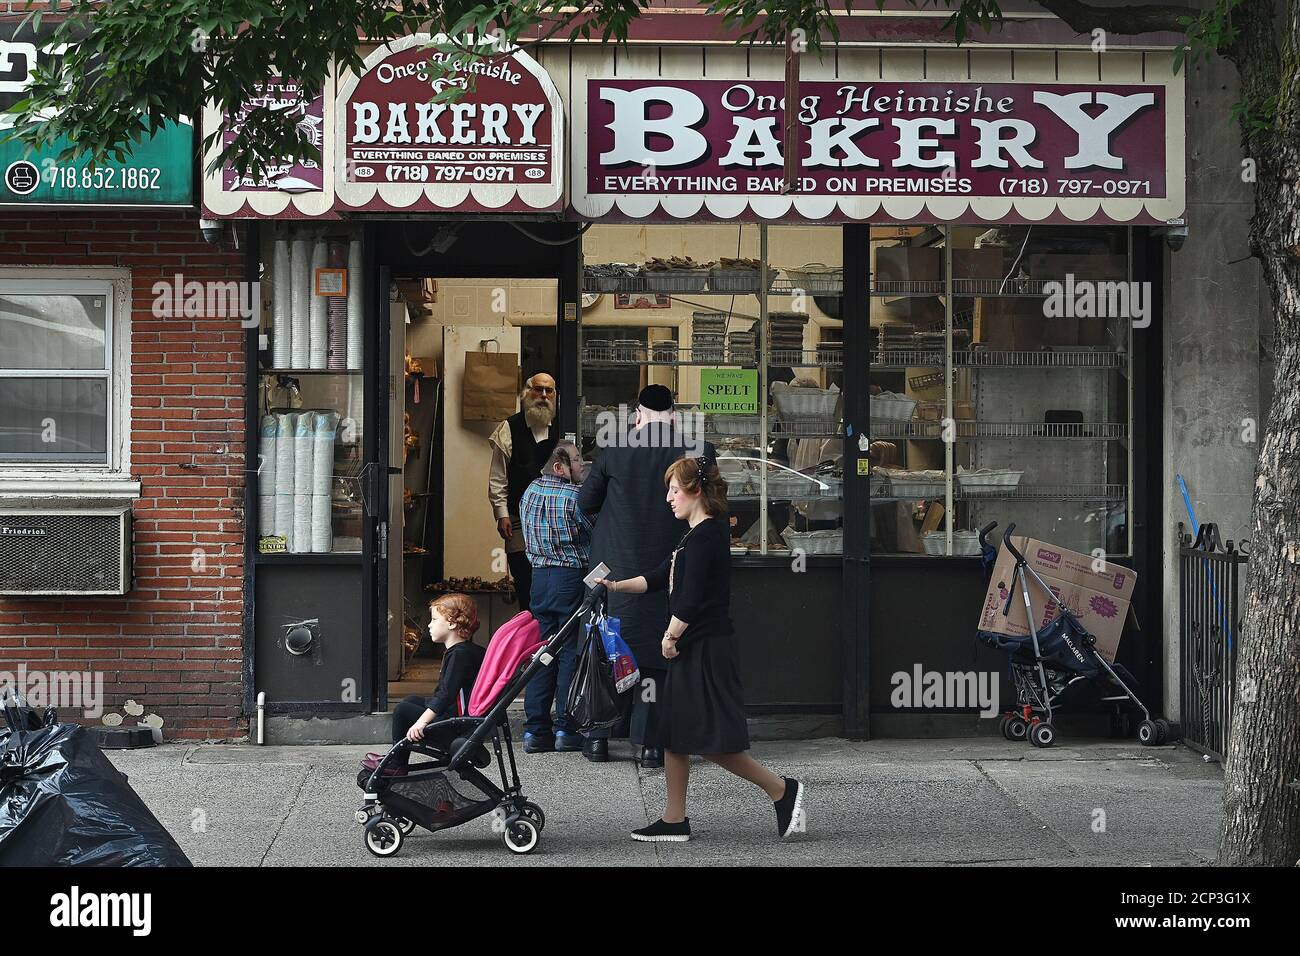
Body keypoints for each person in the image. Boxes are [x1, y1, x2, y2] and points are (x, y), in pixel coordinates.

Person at [599, 456, 806, 842]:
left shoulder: (708, 534)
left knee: (707, 739)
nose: (667, 499)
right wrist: (615, 586)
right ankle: (674, 819)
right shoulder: (695, 534)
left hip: (705, 648)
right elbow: (661, 576)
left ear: (694, 491)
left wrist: (669, 637)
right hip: (695, 647)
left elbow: (690, 599)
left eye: (673, 490)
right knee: (675, 733)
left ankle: (781, 789)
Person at [577, 384, 714, 767]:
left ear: (637, 415)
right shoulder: (696, 451)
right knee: (661, 651)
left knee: (606, 646)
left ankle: (598, 739)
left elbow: (585, 503)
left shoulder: (614, 450)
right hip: (670, 567)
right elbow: (714, 504)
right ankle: (653, 745)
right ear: (674, 415)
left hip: (614, 566)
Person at [519, 440, 592, 754]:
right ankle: (566, 727)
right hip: (569, 578)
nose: (581, 465)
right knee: (569, 653)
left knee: (542, 651)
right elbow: (593, 532)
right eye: (576, 460)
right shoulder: (575, 497)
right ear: (559, 467)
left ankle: (536, 730)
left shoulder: (529, 492)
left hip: (539, 579)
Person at [381, 593, 487, 772]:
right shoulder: (467, 650)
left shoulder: (459, 655)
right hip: (462, 721)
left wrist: (421, 722)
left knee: (402, 710)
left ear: (452, 623)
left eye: (434, 619)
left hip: (455, 729)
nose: (429, 625)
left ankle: (397, 764)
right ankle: (396, 758)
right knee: (410, 700)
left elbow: (445, 695)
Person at [489, 372, 558, 613]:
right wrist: (501, 513)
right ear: (526, 393)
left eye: (549, 391)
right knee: (526, 583)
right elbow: (498, 478)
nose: (543, 396)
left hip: (557, 523)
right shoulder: (509, 428)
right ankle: (531, 645)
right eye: (538, 390)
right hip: (520, 521)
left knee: (554, 585)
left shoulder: (564, 426)